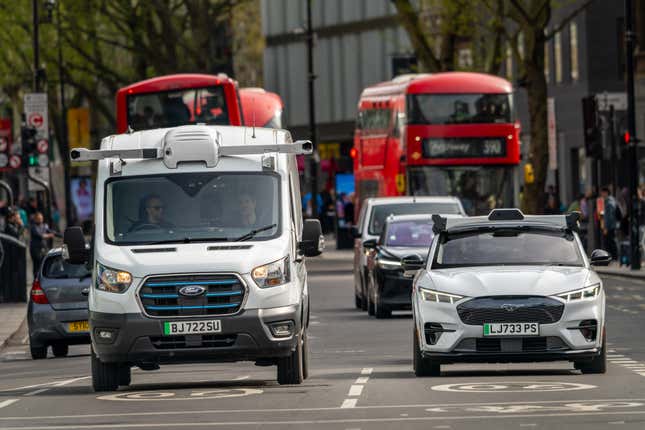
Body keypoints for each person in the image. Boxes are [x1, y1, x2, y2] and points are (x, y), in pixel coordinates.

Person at [30, 212, 55, 277]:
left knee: (44, 265)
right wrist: (49, 235)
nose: (40, 220)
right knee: (37, 265)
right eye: (38, 219)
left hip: (43, 248)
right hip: (35, 249)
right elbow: (40, 235)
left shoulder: (45, 226)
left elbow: (51, 232)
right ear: (35, 219)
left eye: (41, 218)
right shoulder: (33, 227)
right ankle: (36, 279)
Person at [600, 186, 618, 261]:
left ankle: (614, 257)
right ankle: (613, 257)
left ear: (606, 193)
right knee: (610, 242)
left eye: (602, 193)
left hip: (610, 227)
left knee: (610, 242)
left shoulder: (609, 202)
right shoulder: (610, 201)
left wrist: (606, 228)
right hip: (611, 226)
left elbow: (610, 217)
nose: (602, 195)